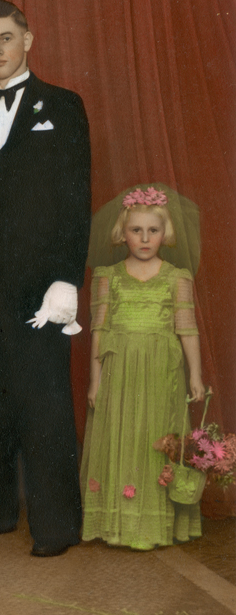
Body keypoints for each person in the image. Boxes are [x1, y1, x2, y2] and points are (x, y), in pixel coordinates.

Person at [0, 0, 91, 557]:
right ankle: (0, 510)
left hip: (41, 284)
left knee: (45, 400)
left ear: (28, 40)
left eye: (6, 38)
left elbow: (76, 195)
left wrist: (67, 278)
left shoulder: (62, 104)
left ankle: (56, 526)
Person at [81, 185, 203, 549]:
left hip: (160, 371)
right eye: (137, 230)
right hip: (119, 371)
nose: (145, 238)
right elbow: (99, 332)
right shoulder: (108, 276)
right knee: (122, 435)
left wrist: (195, 374)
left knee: (154, 437)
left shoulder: (177, 277)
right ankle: (118, 522)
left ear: (165, 235)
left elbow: (187, 329)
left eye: (153, 230)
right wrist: (94, 380)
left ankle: (153, 525)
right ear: (123, 233)